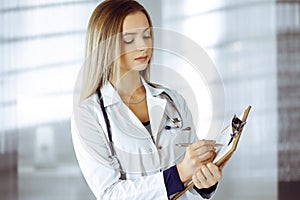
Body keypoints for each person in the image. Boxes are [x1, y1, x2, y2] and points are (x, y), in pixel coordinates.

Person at [71, 0, 223, 199]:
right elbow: (110, 194)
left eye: (147, 35)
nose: (143, 46)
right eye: (129, 39)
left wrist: (205, 182)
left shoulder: (173, 101)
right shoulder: (89, 114)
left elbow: (192, 178)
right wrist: (179, 173)